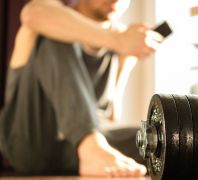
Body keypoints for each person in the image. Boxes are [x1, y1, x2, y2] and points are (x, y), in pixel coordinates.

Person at [0, 0, 163, 177]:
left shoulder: (117, 47)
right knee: (54, 31)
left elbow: (110, 116)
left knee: (159, 139)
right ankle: (89, 145)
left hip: (76, 150)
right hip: (30, 144)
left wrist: (125, 60)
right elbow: (31, 14)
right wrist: (118, 39)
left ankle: (92, 148)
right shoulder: (47, 16)